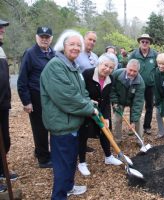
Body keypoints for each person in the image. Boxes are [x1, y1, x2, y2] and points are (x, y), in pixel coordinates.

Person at [40, 29, 98, 199]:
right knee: (63, 164)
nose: (75, 47)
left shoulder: (73, 66)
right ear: (63, 46)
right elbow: (68, 97)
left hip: (73, 122)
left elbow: (81, 92)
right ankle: (59, 196)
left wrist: (89, 101)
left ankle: (69, 187)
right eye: (71, 44)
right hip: (61, 124)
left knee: (71, 160)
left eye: (78, 45)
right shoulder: (55, 67)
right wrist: (89, 108)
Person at [77, 52, 122, 176]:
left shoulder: (110, 79)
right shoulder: (87, 74)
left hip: (101, 109)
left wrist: (106, 117)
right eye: (105, 65)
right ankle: (81, 162)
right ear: (99, 63)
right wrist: (88, 104)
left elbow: (106, 99)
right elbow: (80, 92)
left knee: (106, 132)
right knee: (83, 135)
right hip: (86, 109)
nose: (107, 69)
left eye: (111, 67)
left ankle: (108, 157)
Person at [17, 27, 55, 168]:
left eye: (47, 37)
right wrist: (26, 101)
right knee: (39, 128)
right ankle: (43, 159)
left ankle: (41, 151)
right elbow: (22, 80)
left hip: (50, 98)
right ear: (36, 37)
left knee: (49, 125)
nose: (44, 39)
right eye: (42, 36)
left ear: (51, 38)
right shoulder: (30, 53)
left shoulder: (53, 54)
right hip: (36, 96)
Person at [0, 19, 18, 193]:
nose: (2, 30)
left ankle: (1, 169)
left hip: (3, 105)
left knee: (5, 140)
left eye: (3, 27)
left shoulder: (0, 48)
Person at [110, 59, 145, 145]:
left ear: (138, 71)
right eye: (130, 70)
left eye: (135, 71)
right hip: (119, 100)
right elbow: (111, 89)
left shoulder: (140, 83)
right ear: (126, 68)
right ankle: (118, 140)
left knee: (138, 120)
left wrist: (133, 120)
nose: (132, 73)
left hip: (133, 101)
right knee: (117, 119)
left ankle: (139, 140)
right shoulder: (116, 74)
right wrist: (115, 101)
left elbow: (138, 102)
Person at [128, 33, 158, 135]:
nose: (145, 43)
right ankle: (132, 126)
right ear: (139, 43)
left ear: (149, 43)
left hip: (150, 85)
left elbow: (158, 69)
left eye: (147, 42)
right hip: (136, 85)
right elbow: (128, 68)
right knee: (134, 105)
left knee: (149, 106)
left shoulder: (154, 54)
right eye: (143, 41)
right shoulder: (134, 54)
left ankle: (147, 126)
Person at [76, 31, 98, 154]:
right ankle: (77, 146)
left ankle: (83, 144)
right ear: (84, 39)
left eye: (94, 41)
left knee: (86, 121)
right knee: (79, 120)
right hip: (79, 92)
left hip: (91, 93)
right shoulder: (77, 54)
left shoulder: (94, 57)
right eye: (90, 39)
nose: (92, 42)